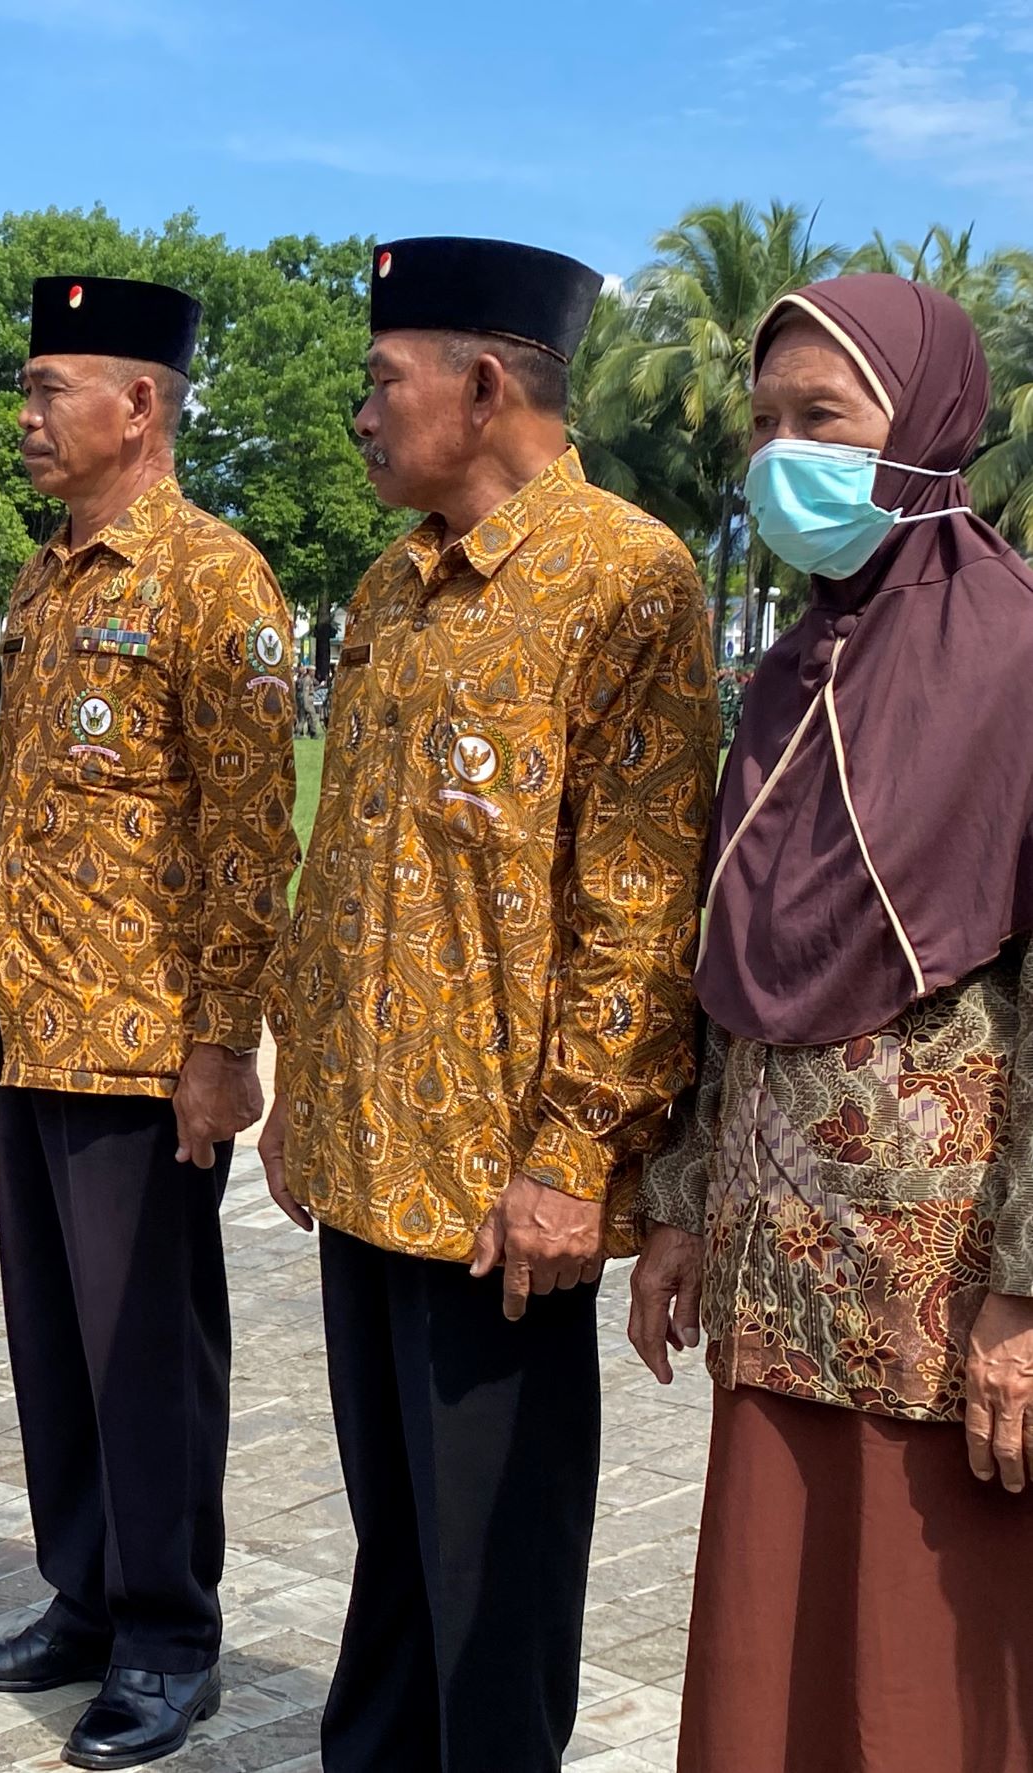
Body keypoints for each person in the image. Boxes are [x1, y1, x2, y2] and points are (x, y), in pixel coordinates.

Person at [257, 238, 720, 1772]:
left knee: (496, 1575)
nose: (362, 415)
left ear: (484, 382)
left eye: (384, 381)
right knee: (391, 1538)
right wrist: (302, 1083)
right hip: (367, 1148)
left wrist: (573, 1154)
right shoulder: (392, 586)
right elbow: (354, 853)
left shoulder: (629, 577)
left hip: (497, 1186)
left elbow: (642, 906)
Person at [630, 275, 1033, 1773]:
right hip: (774, 1278)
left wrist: (1028, 1302)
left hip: (944, 1309)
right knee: (775, 1636)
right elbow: (731, 962)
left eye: (826, 421)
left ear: (926, 429)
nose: (781, 457)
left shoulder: (1013, 657)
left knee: (921, 1666)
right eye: (763, 424)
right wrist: (678, 1206)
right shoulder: (797, 668)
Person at [0, 277, 301, 1771]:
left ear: (139, 407)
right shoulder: (45, 581)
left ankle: (169, 1634)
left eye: (50, 391)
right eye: (26, 393)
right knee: (53, 1342)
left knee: (149, 1352)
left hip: (147, 1044)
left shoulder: (219, 580)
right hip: (31, 1024)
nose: (26, 419)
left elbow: (246, 832)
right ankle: (83, 1591)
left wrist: (224, 1043)